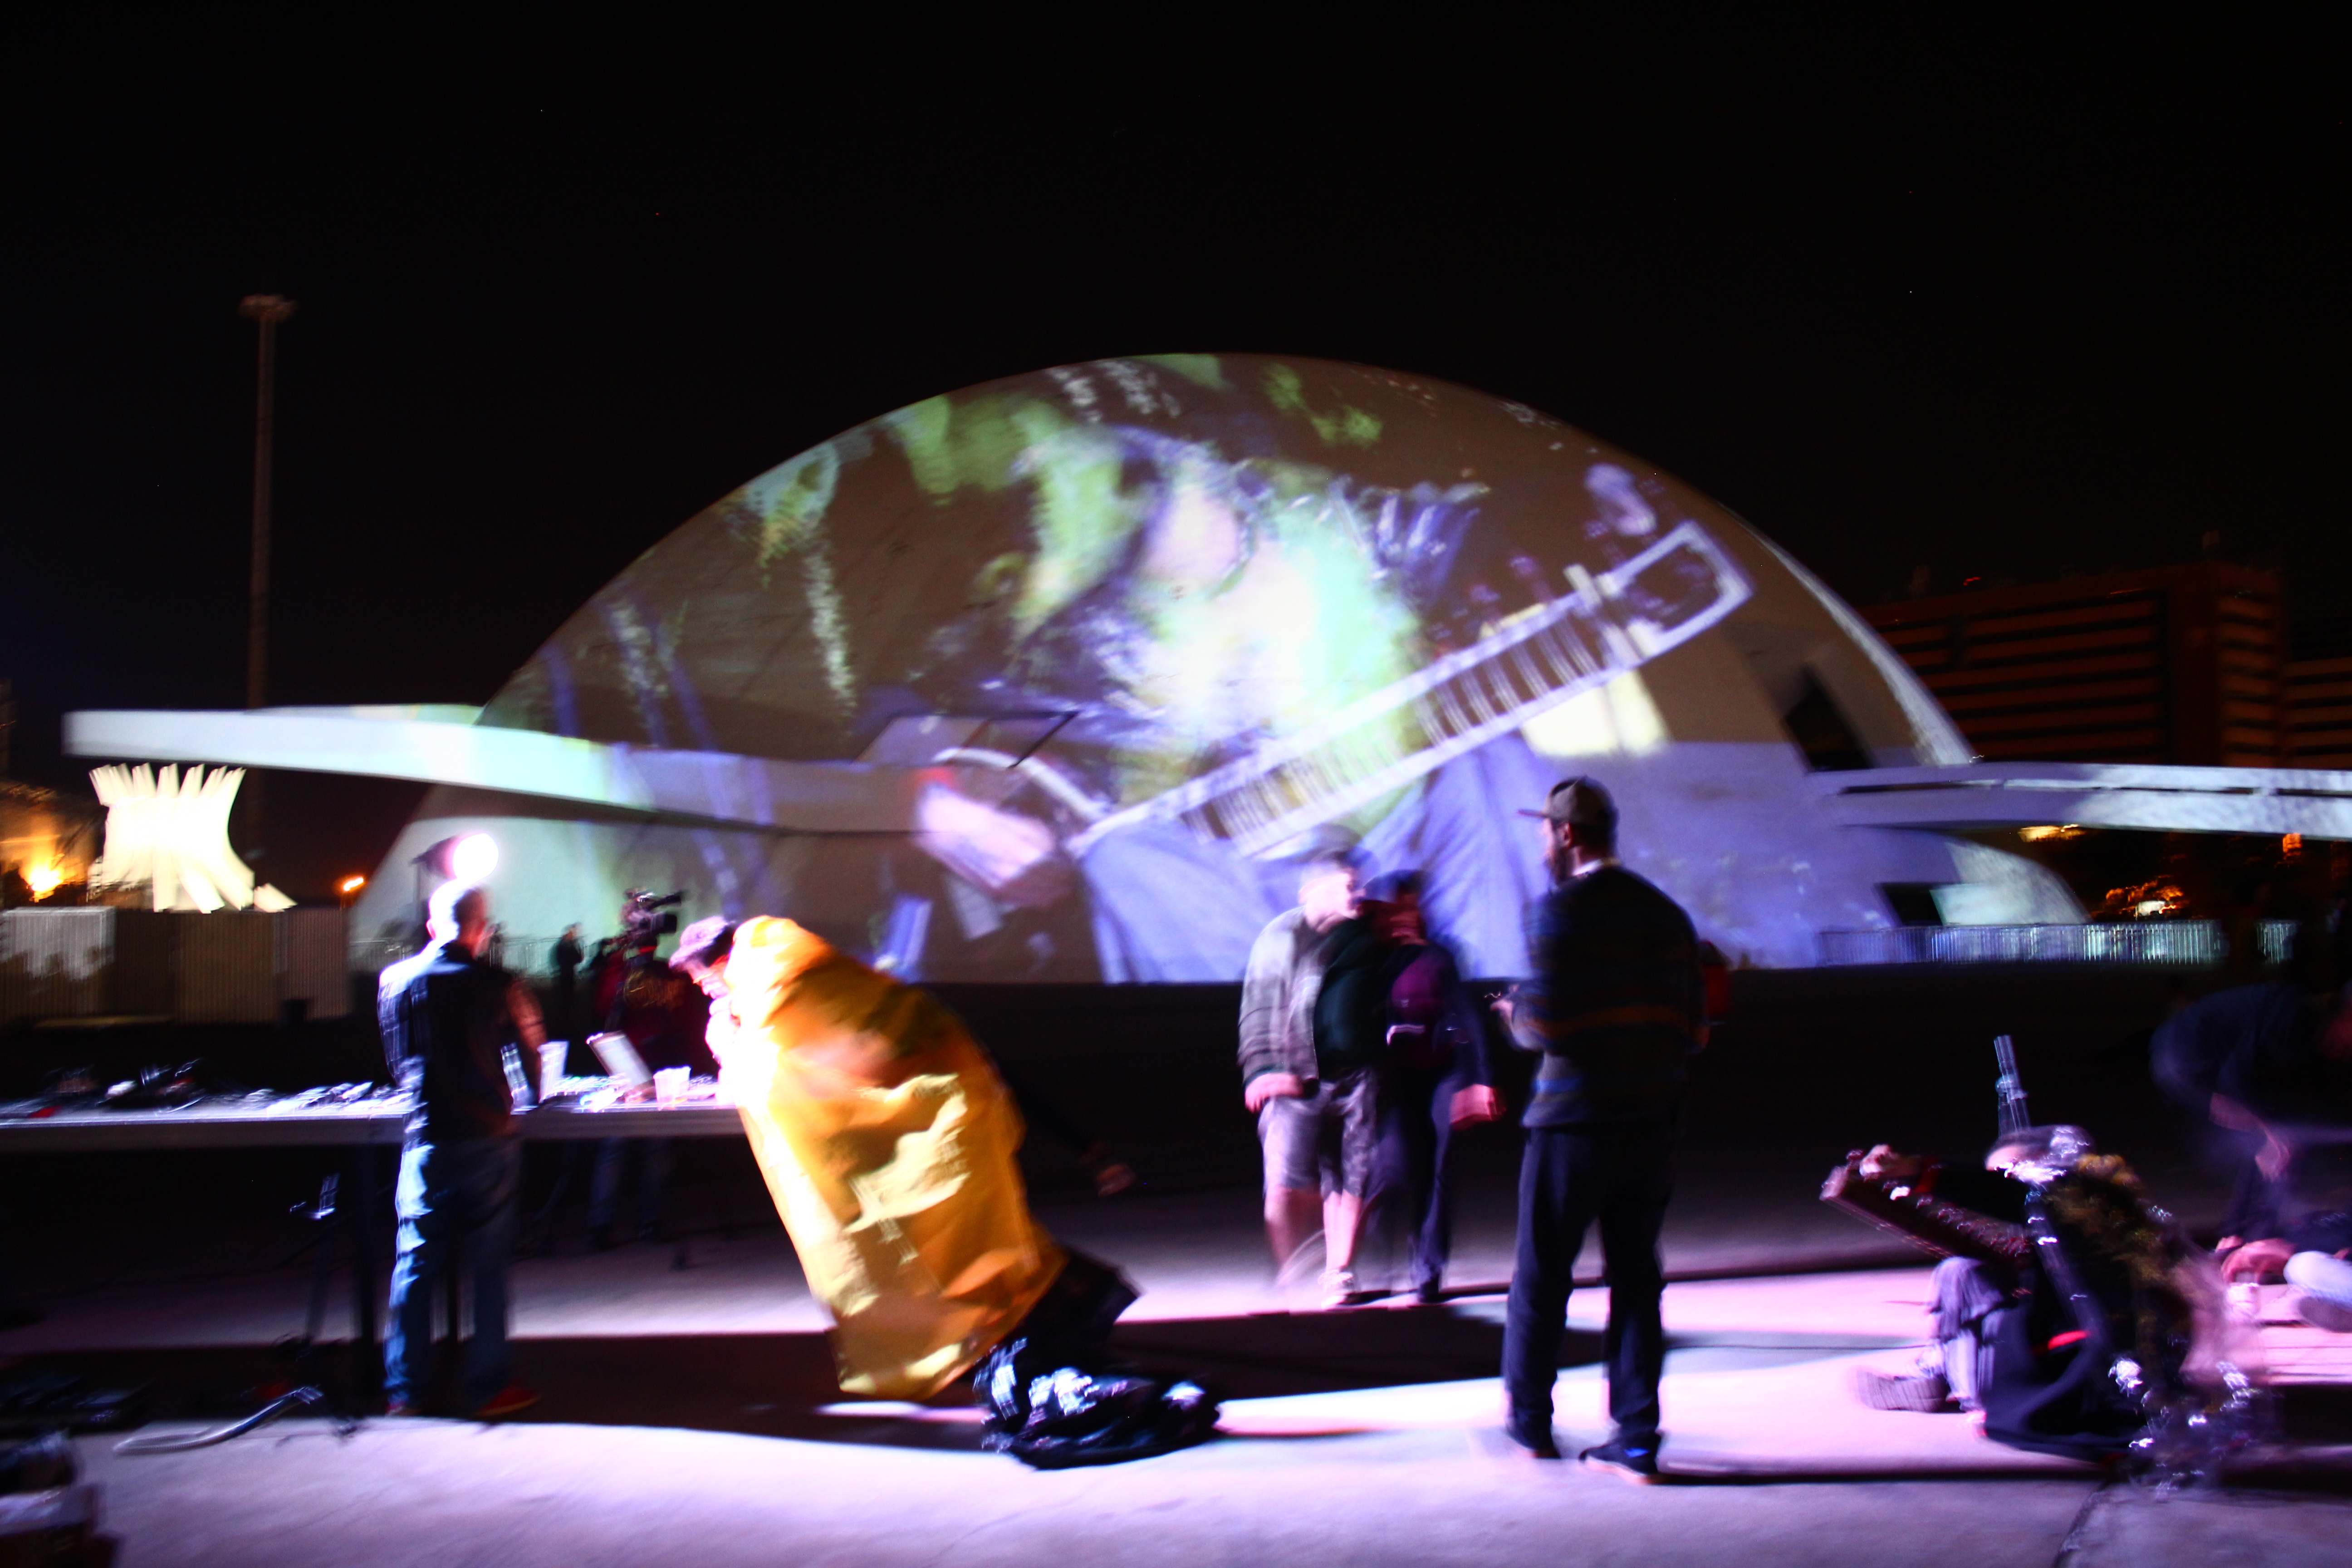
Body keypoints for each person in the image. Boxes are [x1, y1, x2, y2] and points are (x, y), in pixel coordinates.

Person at [671, 915, 1216, 1467]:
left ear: (720, 961)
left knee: (950, 1267)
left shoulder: (774, 978)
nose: (704, 990)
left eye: (701, 979)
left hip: (927, 1139)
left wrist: (734, 1042)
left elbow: (783, 1070)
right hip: (947, 1116)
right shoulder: (790, 962)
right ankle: (1043, 1362)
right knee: (989, 1259)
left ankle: (1037, 1382)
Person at [1495, 776, 1705, 1479]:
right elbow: (1695, 1031)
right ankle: (1637, 1437)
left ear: (1565, 834)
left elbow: (1547, 1026)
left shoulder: (1560, 912)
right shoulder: (1668, 915)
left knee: (1542, 1276)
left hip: (1573, 1122)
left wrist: (1513, 1014)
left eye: (1544, 832)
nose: (1541, 845)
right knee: (1638, 1278)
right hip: (1651, 1120)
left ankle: (1530, 1422)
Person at [1842, 1131, 2235, 1462]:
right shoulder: (2109, 1212)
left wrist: (1916, 1170)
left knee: (1961, 1273)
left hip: (2075, 1381)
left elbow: (2011, 1194)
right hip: (2122, 1370)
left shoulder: (2063, 1199)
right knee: (1981, 1276)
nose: (2006, 1182)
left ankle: (1943, 1376)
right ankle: (1939, 1371)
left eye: (2010, 1173)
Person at [377, 881, 544, 1418]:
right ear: (482, 930)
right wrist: (531, 1097)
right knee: (489, 1266)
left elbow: (397, 1061)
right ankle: (489, 1386)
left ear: (432, 926)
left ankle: (406, 1389)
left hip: (426, 1138)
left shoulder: (394, 980)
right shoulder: (501, 984)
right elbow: (530, 1061)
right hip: (489, 1139)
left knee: (415, 1264)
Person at [1239, 841, 1379, 1306]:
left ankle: (1340, 1273)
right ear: (1314, 890)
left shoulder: (1365, 933)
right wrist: (1264, 1068)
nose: (1359, 894)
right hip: (1296, 1081)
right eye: (1349, 886)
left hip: (1356, 1078)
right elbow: (1259, 1005)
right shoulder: (1282, 935)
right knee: (1285, 1180)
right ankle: (1287, 1281)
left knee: (1351, 1177)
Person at [1361, 871, 1499, 1303]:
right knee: (1395, 1168)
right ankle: (1374, 1268)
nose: (1407, 916)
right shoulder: (1380, 960)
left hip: (1445, 1072)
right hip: (1400, 1078)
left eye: (1414, 907)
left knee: (1440, 1168)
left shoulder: (1440, 957)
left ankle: (1428, 1269)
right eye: (1399, 909)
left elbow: (1468, 1017)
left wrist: (1481, 1079)